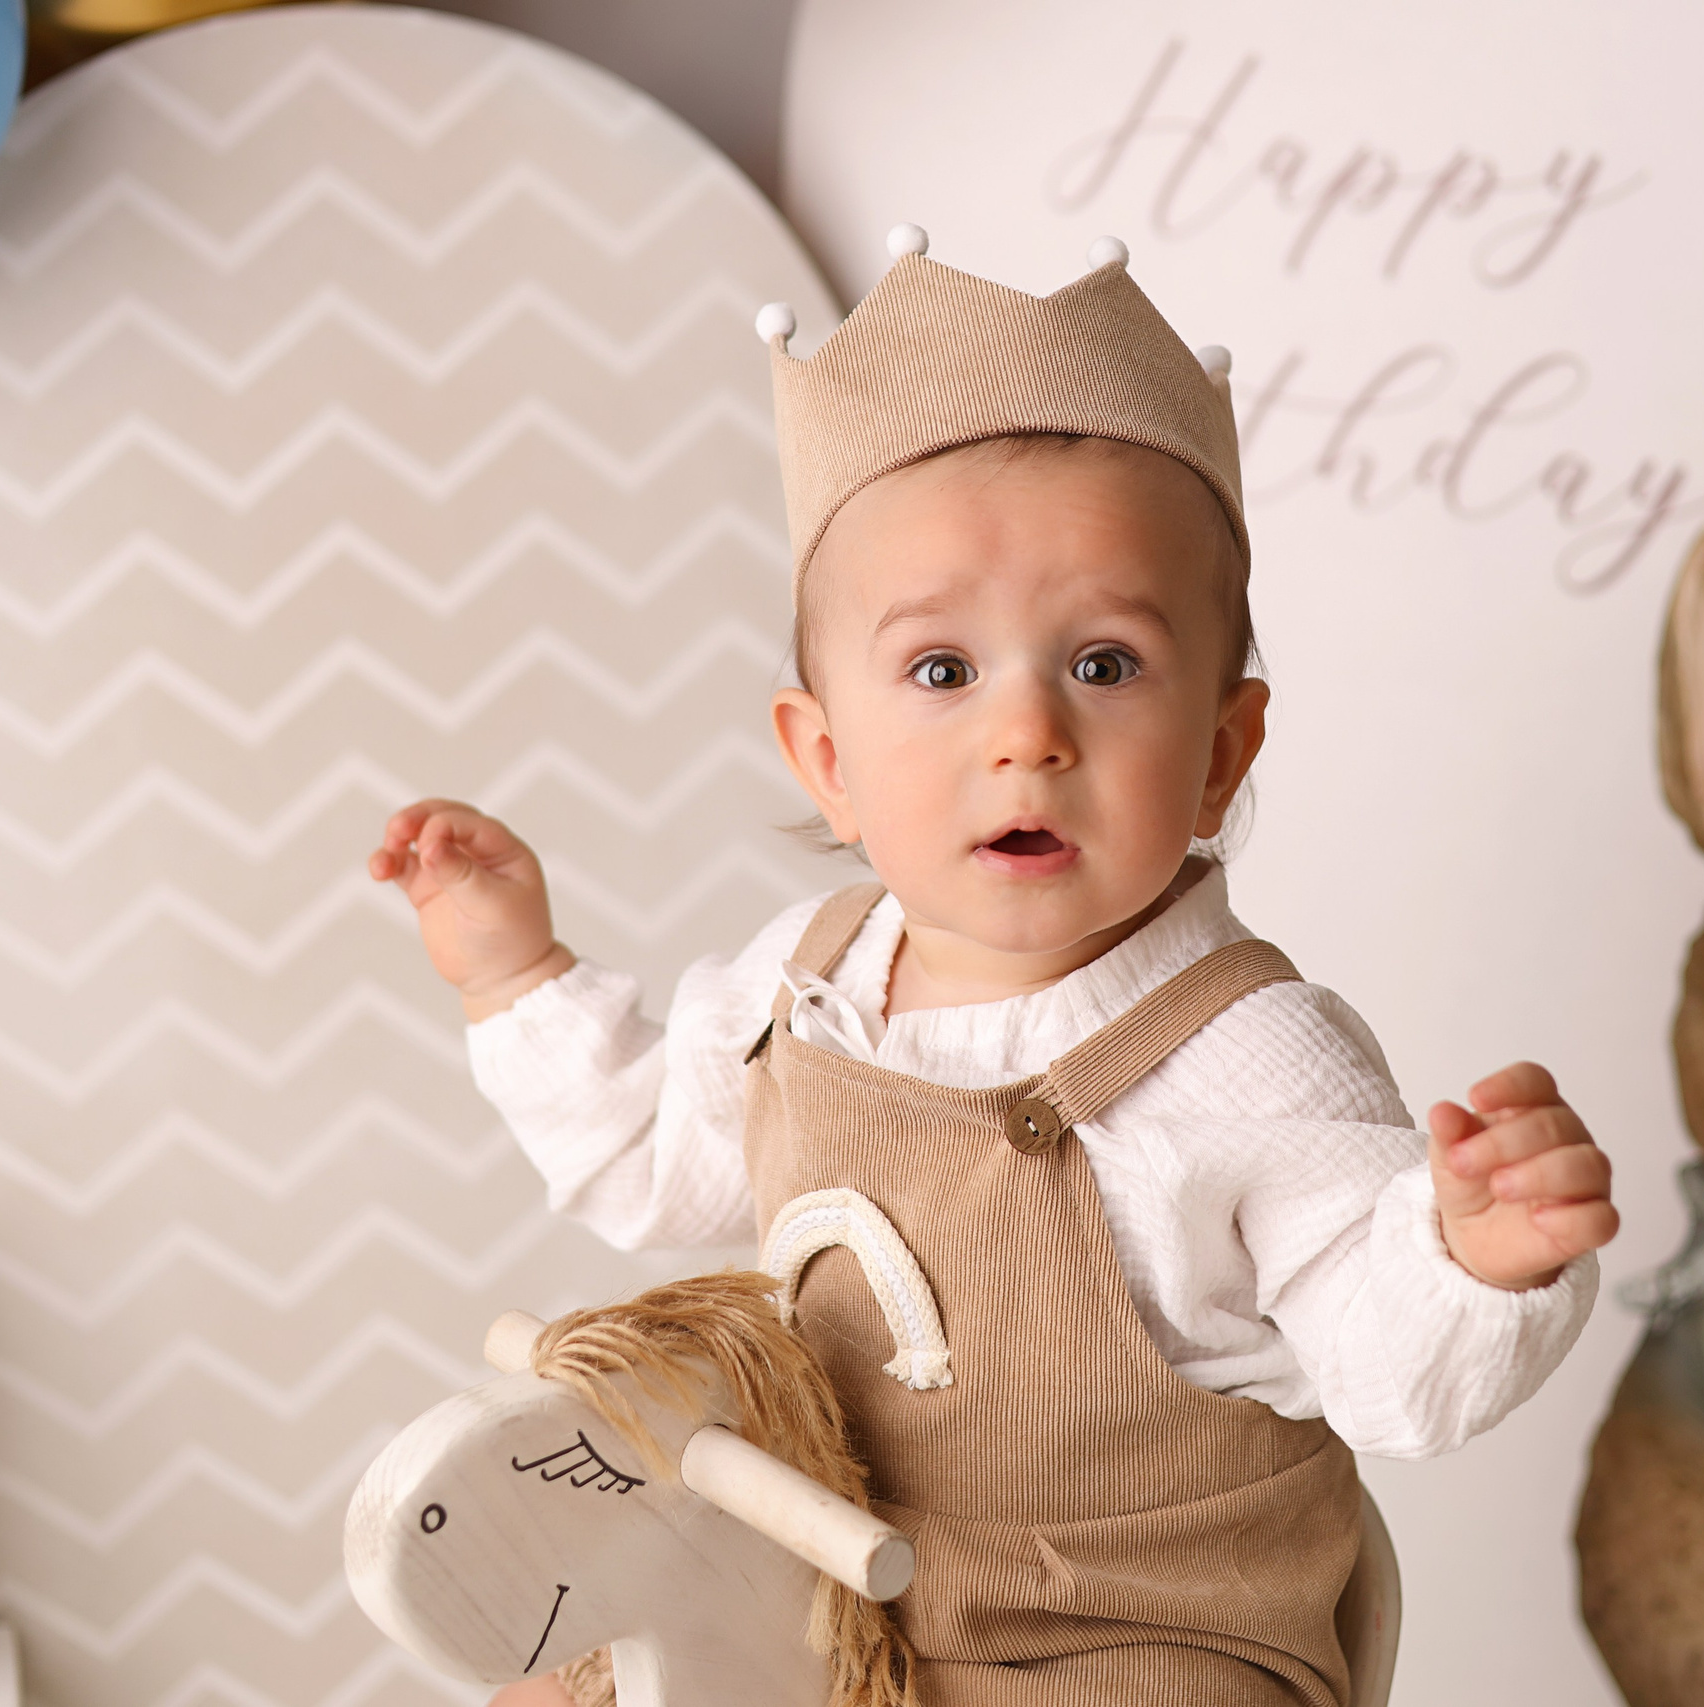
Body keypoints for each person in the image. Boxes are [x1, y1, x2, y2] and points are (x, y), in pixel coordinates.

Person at [370, 230, 1618, 1707]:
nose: (1026, 732)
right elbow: (654, 1158)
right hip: (832, 1592)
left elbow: (1382, 1363)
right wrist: (515, 972)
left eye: (1103, 663)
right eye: (943, 672)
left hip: (1129, 1642)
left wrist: (1469, 1254)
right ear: (828, 762)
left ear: (1221, 754)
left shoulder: (1247, 1056)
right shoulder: (809, 985)